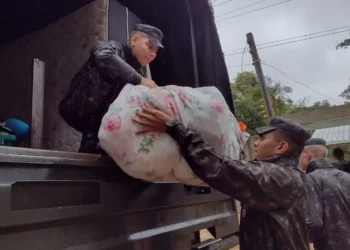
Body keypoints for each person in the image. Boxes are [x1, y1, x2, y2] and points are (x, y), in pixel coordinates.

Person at [133, 109, 311, 250]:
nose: (256, 143)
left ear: (281, 147)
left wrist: (174, 127)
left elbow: (221, 168)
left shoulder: (278, 176)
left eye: (263, 138)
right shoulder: (291, 175)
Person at [59, 24, 163, 153]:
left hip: (104, 126)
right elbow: (101, 54)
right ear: (134, 40)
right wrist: (140, 80)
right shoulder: (112, 48)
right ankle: (93, 140)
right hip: (77, 108)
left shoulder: (139, 72)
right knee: (111, 71)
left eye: (156, 51)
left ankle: (98, 142)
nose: (153, 54)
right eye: (150, 46)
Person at [299, 138, 350, 250]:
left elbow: (313, 222)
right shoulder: (347, 177)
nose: (298, 160)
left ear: (307, 154)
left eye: (299, 155)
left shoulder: (310, 179)